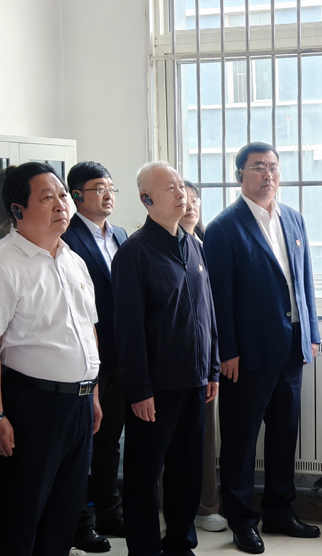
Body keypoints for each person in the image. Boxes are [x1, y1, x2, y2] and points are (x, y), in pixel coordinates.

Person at [204, 142, 321, 554]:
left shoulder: (293, 218)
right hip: (247, 353)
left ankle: (279, 511)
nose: (268, 174)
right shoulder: (224, 227)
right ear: (240, 175)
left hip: (291, 346)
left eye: (273, 166)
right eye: (258, 167)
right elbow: (218, 298)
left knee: (284, 435)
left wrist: (311, 333)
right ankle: (242, 521)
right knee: (241, 440)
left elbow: (304, 281)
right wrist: (227, 351)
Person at [113, 162, 220, 556]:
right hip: (155, 387)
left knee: (186, 469)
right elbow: (128, 329)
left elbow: (207, 311)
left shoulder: (193, 245)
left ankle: (179, 542)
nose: (182, 194)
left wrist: (212, 367)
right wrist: (139, 389)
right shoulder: (134, 253)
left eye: (181, 186)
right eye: (171, 188)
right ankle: (144, 548)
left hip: (195, 379)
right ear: (146, 199)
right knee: (144, 474)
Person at [0, 162, 102, 556]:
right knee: (22, 513)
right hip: (31, 405)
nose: (62, 205)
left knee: (64, 513)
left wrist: (92, 394)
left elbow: (88, 329)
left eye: (62, 195)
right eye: (47, 197)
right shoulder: (7, 264)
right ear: (17, 210)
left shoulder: (72, 258)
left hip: (79, 404)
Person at [62, 161, 129, 553]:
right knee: (84, 444)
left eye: (110, 188)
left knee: (110, 441)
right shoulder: (67, 237)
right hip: (86, 354)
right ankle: (78, 523)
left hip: (121, 354)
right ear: (77, 196)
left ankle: (109, 512)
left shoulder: (120, 235)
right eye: (99, 188)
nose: (107, 195)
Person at [179, 180, 226, 533]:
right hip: (171, 361)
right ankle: (174, 508)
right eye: (183, 198)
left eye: (195, 199)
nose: (190, 205)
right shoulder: (148, 247)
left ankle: (206, 505)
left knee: (207, 439)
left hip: (207, 359)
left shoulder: (208, 244)